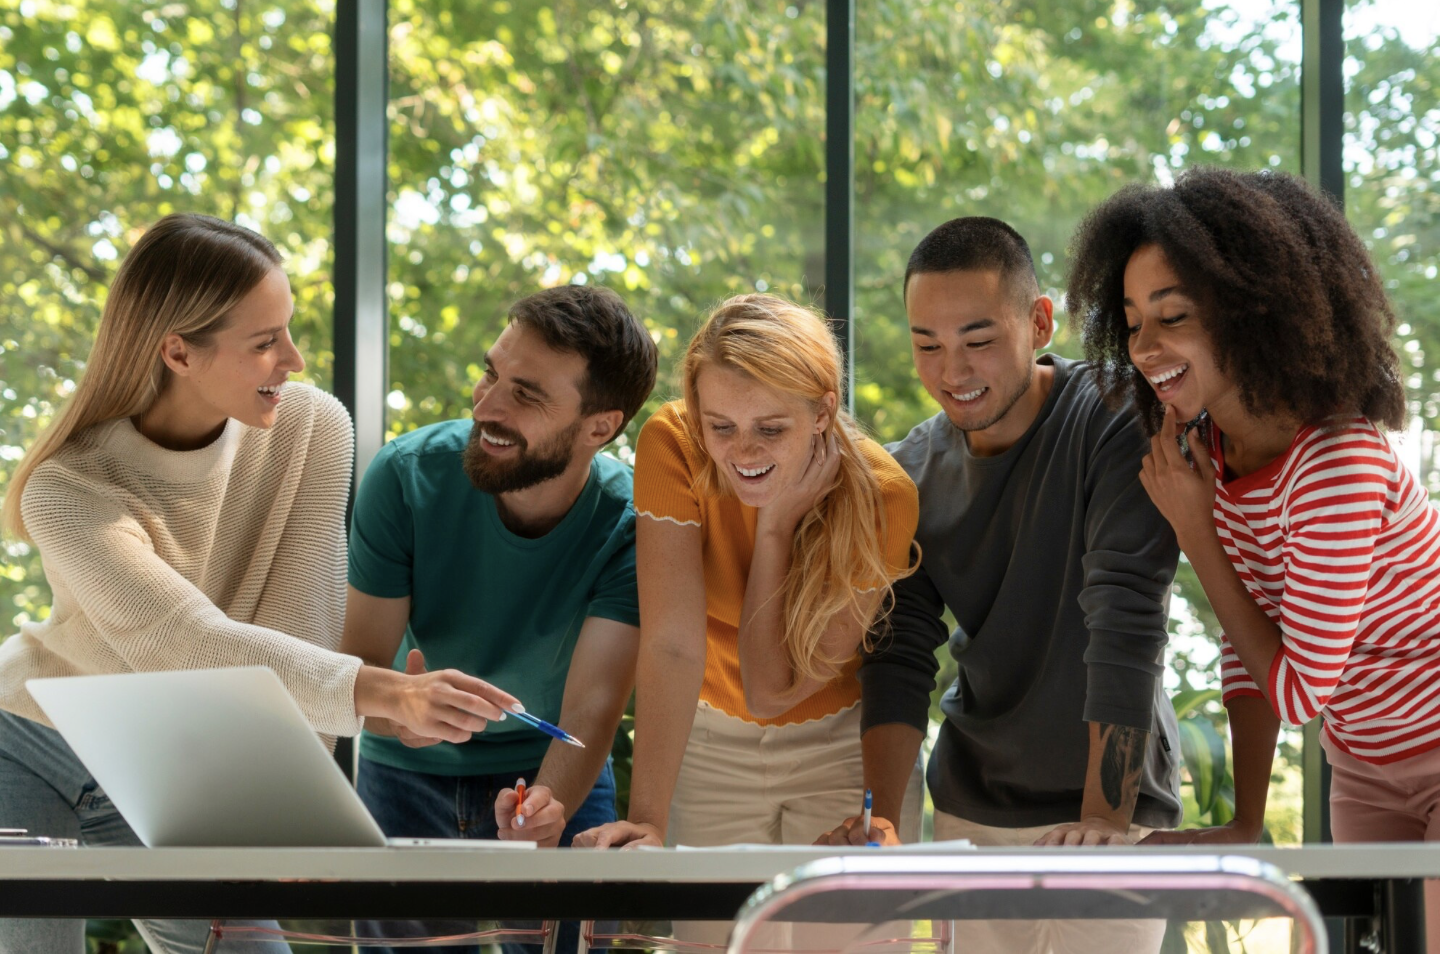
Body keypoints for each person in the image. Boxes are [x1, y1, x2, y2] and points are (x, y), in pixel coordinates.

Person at [0, 214, 518, 954]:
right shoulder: (68, 488)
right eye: (264, 342)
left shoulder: (310, 429)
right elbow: (182, 640)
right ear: (178, 351)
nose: (295, 359)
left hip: (175, 766)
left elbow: (296, 636)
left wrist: (302, 789)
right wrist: (383, 693)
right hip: (30, 743)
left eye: (289, 331)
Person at [1071, 166, 1440, 953]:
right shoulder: (1215, 451)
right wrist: (1243, 822)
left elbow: (1301, 689)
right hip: (1365, 762)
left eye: (1173, 316)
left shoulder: (1337, 462)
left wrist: (1197, 531)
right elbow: (1253, 656)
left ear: (1253, 315)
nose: (1144, 347)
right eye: (1132, 321)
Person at [819, 217, 1182, 952]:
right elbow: (898, 657)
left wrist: (1104, 820)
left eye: (978, 340)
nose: (952, 371)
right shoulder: (907, 472)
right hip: (974, 812)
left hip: (1113, 808)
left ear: (1039, 321)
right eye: (927, 345)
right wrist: (883, 824)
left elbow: (1125, 615)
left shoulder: (1119, 415)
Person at [341, 285, 656, 953]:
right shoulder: (404, 477)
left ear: (601, 425)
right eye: (491, 373)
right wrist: (397, 710)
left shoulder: (632, 523)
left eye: (528, 394)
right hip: (403, 774)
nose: (487, 405)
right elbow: (359, 666)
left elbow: (594, 707)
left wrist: (549, 806)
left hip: (550, 766)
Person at [573, 294, 924, 853]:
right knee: (715, 941)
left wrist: (774, 527)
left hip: (838, 746)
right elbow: (671, 645)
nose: (743, 451)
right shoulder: (674, 445)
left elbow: (771, 690)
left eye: (771, 428)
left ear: (823, 413)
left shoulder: (883, 497)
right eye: (721, 425)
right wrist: (648, 823)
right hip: (707, 738)